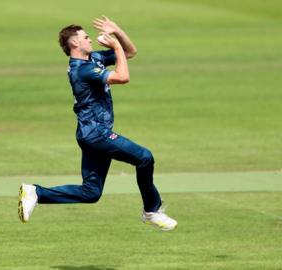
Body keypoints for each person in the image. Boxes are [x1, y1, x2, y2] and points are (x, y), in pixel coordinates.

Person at [18, 16, 177, 231]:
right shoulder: (81, 70)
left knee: (91, 192)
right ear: (74, 43)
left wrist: (118, 32)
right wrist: (115, 46)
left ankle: (36, 192)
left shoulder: (93, 59)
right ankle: (151, 210)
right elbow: (123, 77)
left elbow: (130, 53)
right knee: (144, 158)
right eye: (85, 37)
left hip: (90, 133)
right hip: (96, 133)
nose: (90, 40)